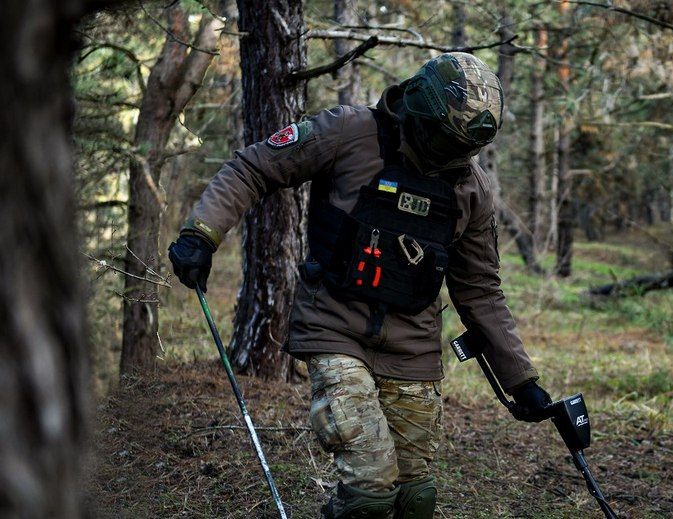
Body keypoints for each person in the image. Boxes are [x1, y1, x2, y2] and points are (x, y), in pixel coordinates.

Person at [168, 52, 550, 518]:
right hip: (335, 327)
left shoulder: (472, 189)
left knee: (415, 499)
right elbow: (254, 167)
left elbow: (480, 290)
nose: (450, 157)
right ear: (418, 111)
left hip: (413, 348)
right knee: (371, 493)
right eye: (443, 142)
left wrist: (521, 380)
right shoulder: (349, 133)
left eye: (461, 150)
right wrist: (201, 235)